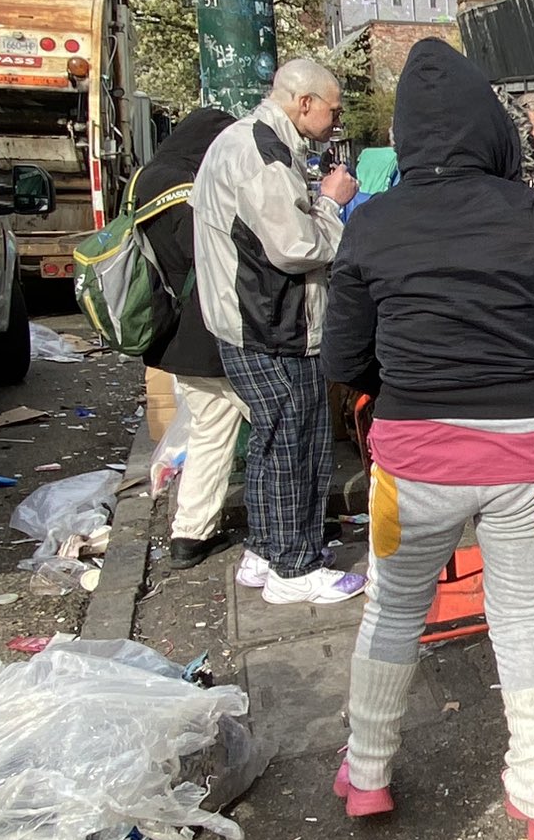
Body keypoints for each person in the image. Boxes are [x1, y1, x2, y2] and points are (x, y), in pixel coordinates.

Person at [323, 38, 534, 830]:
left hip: (414, 456)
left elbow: (345, 358)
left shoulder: (370, 226)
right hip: (528, 453)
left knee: (393, 611)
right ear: (489, 130)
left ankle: (367, 776)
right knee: (523, 615)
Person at [192, 56, 365, 606]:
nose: (335, 123)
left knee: (271, 442)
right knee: (295, 443)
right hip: (273, 326)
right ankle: (295, 566)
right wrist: (333, 206)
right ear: (303, 102)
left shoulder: (247, 142)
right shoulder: (263, 154)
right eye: (332, 111)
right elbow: (295, 248)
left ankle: (267, 549)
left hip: (248, 321)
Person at [133, 107, 248, 570]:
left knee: (211, 432)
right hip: (211, 331)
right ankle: (285, 527)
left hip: (177, 335)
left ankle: (190, 533)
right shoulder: (186, 188)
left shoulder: (146, 178)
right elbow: (214, 254)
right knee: (285, 424)